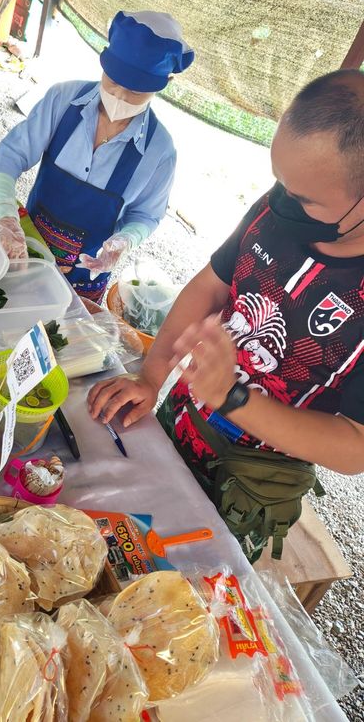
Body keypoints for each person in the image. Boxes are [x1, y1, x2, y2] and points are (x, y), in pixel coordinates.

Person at [88, 69, 364, 558]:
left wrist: (232, 398)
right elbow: (210, 286)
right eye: (280, 181)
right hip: (182, 421)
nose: (282, 202)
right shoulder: (280, 205)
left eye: (304, 199)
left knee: (191, 590)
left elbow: (353, 447)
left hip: (250, 482)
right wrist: (152, 377)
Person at [0, 11, 195, 301]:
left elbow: (146, 214)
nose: (120, 95)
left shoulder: (160, 151)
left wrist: (126, 239)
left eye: (136, 91)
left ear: (165, 83)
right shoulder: (63, 101)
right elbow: (11, 154)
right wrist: (6, 215)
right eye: (113, 80)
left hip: (84, 280)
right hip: (25, 250)